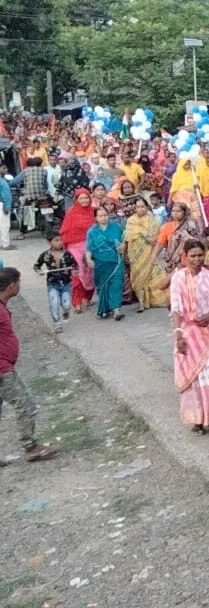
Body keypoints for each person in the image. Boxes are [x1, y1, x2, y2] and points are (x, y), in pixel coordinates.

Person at [170, 239, 209, 434]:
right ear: (185, 257)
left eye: (200, 256)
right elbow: (176, 308)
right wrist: (179, 335)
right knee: (194, 376)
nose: (197, 259)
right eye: (193, 256)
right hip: (188, 334)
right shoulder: (178, 278)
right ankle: (197, 419)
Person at [0, 267, 58, 461]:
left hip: (5, 365)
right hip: (2, 369)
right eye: (19, 282)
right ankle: (31, 447)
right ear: (11, 285)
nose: (20, 286)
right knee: (25, 404)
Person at [124, 197, 168, 311]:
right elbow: (128, 238)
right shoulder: (131, 221)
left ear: (147, 207)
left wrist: (147, 238)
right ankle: (141, 303)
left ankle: (153, 301)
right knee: (138, 278)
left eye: (142, 206)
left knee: (152, 276)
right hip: (135, 253)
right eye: (138, 207)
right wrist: (125, 254)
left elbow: (158, 237)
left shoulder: (152, 220)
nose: (140, 209)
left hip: (149, 252)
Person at [85, 206, 125, 321]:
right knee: (104, 286)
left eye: (105, 215)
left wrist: (122, 247)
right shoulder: (92, 231)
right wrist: (89, 260)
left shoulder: (117, 227)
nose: (104, 218)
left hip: (116, 261)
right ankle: (105, 309)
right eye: (100, 216)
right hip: (101, 262)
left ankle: (116, 310)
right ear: (96, 218)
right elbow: (89, 248)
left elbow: (123, 241)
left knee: (117, 283)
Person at [59, 188, 96, 312]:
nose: (84, 200)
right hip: (75, 247)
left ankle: (87, 297)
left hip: (91, 246)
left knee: (91, 272)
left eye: (86, 198)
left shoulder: (93, 211)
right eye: (81, 198)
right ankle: (77, 302)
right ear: (76, 200)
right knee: (77, 273)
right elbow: (65, 230)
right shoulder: (71, 212)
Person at [34, 235, 77, 333]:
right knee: (54, 303)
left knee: (66, 305)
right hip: (52, 284)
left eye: (61, 240)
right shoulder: (45, 255)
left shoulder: (67, 254)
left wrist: (75, 271)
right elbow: (36, 266)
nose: (60, 242)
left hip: (66, 284)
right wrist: (39, 271)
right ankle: (57, 324)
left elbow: (75, 265)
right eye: (56, 240)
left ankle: (66, 312)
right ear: (50, 242)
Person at [160, 202, 202, 273]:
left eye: (178, 211)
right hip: (171, 258)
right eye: (173, 211)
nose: (175, 213)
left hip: (186, 257)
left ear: (184, 212)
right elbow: (162, 243)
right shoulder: (167, 226)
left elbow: (196, 240)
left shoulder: (191, 225)